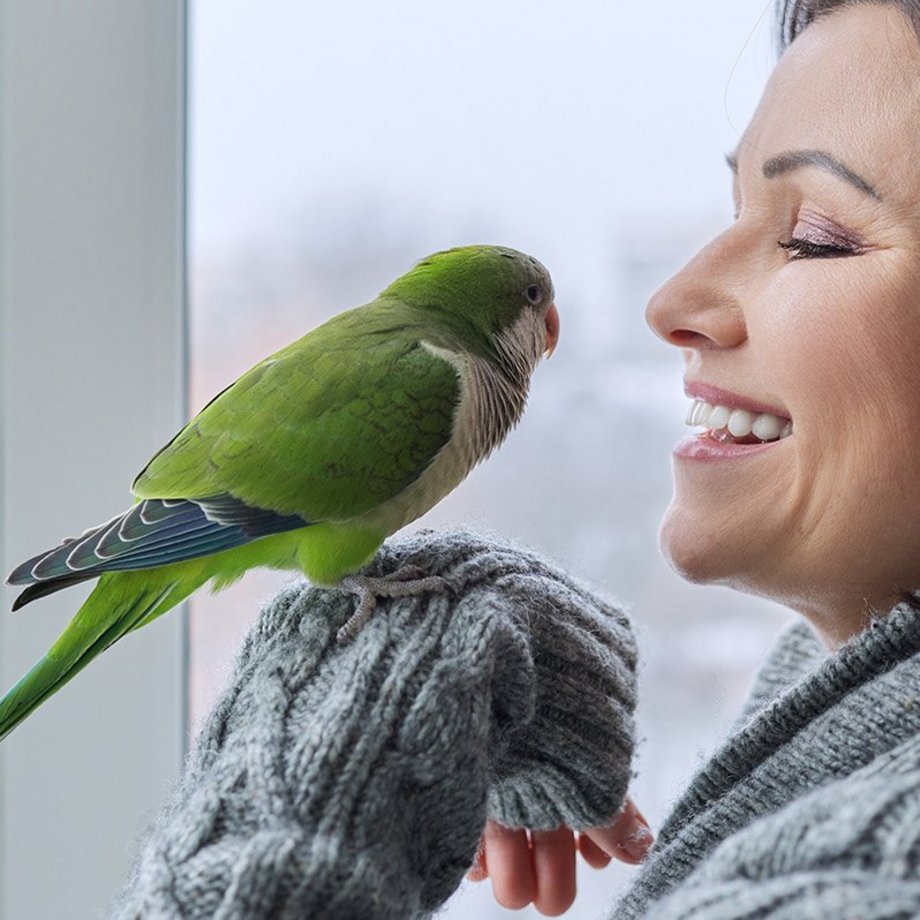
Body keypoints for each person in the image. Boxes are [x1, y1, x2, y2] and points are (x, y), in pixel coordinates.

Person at [112, 0, 920, 917]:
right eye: (731, 207)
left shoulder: (880, 870)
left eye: (813, 236)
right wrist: (493, 652)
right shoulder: (836, 708)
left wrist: (353, 720)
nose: (670, 302)